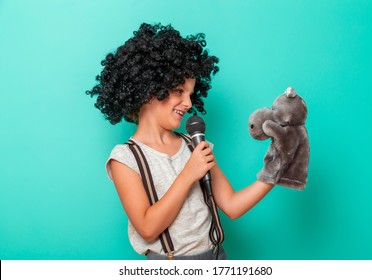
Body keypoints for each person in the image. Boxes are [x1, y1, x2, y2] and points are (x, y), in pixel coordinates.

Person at [86, 23, 274, 260]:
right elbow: (147, 227)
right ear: (148, 89)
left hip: (216, 257)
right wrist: (188, 175)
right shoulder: (125, 159)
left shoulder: (194, 145)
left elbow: (232, 206)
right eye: (178, 91)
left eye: (190, 94)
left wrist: (276, 172)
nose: (188, 103)